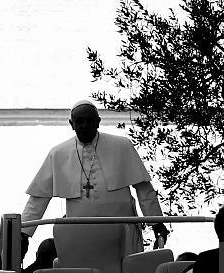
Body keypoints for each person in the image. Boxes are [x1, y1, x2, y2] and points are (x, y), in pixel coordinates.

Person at [21, 100, 168, 254]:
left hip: (122, 231)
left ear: (98, 122)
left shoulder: (122, 146)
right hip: (81, 233)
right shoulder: (58, 154)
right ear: (71, 124)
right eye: (79, 121)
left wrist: (156, 222)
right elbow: (38, 199)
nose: (84, 125)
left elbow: (144, 189)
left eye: (89, 120)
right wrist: (23, 233)